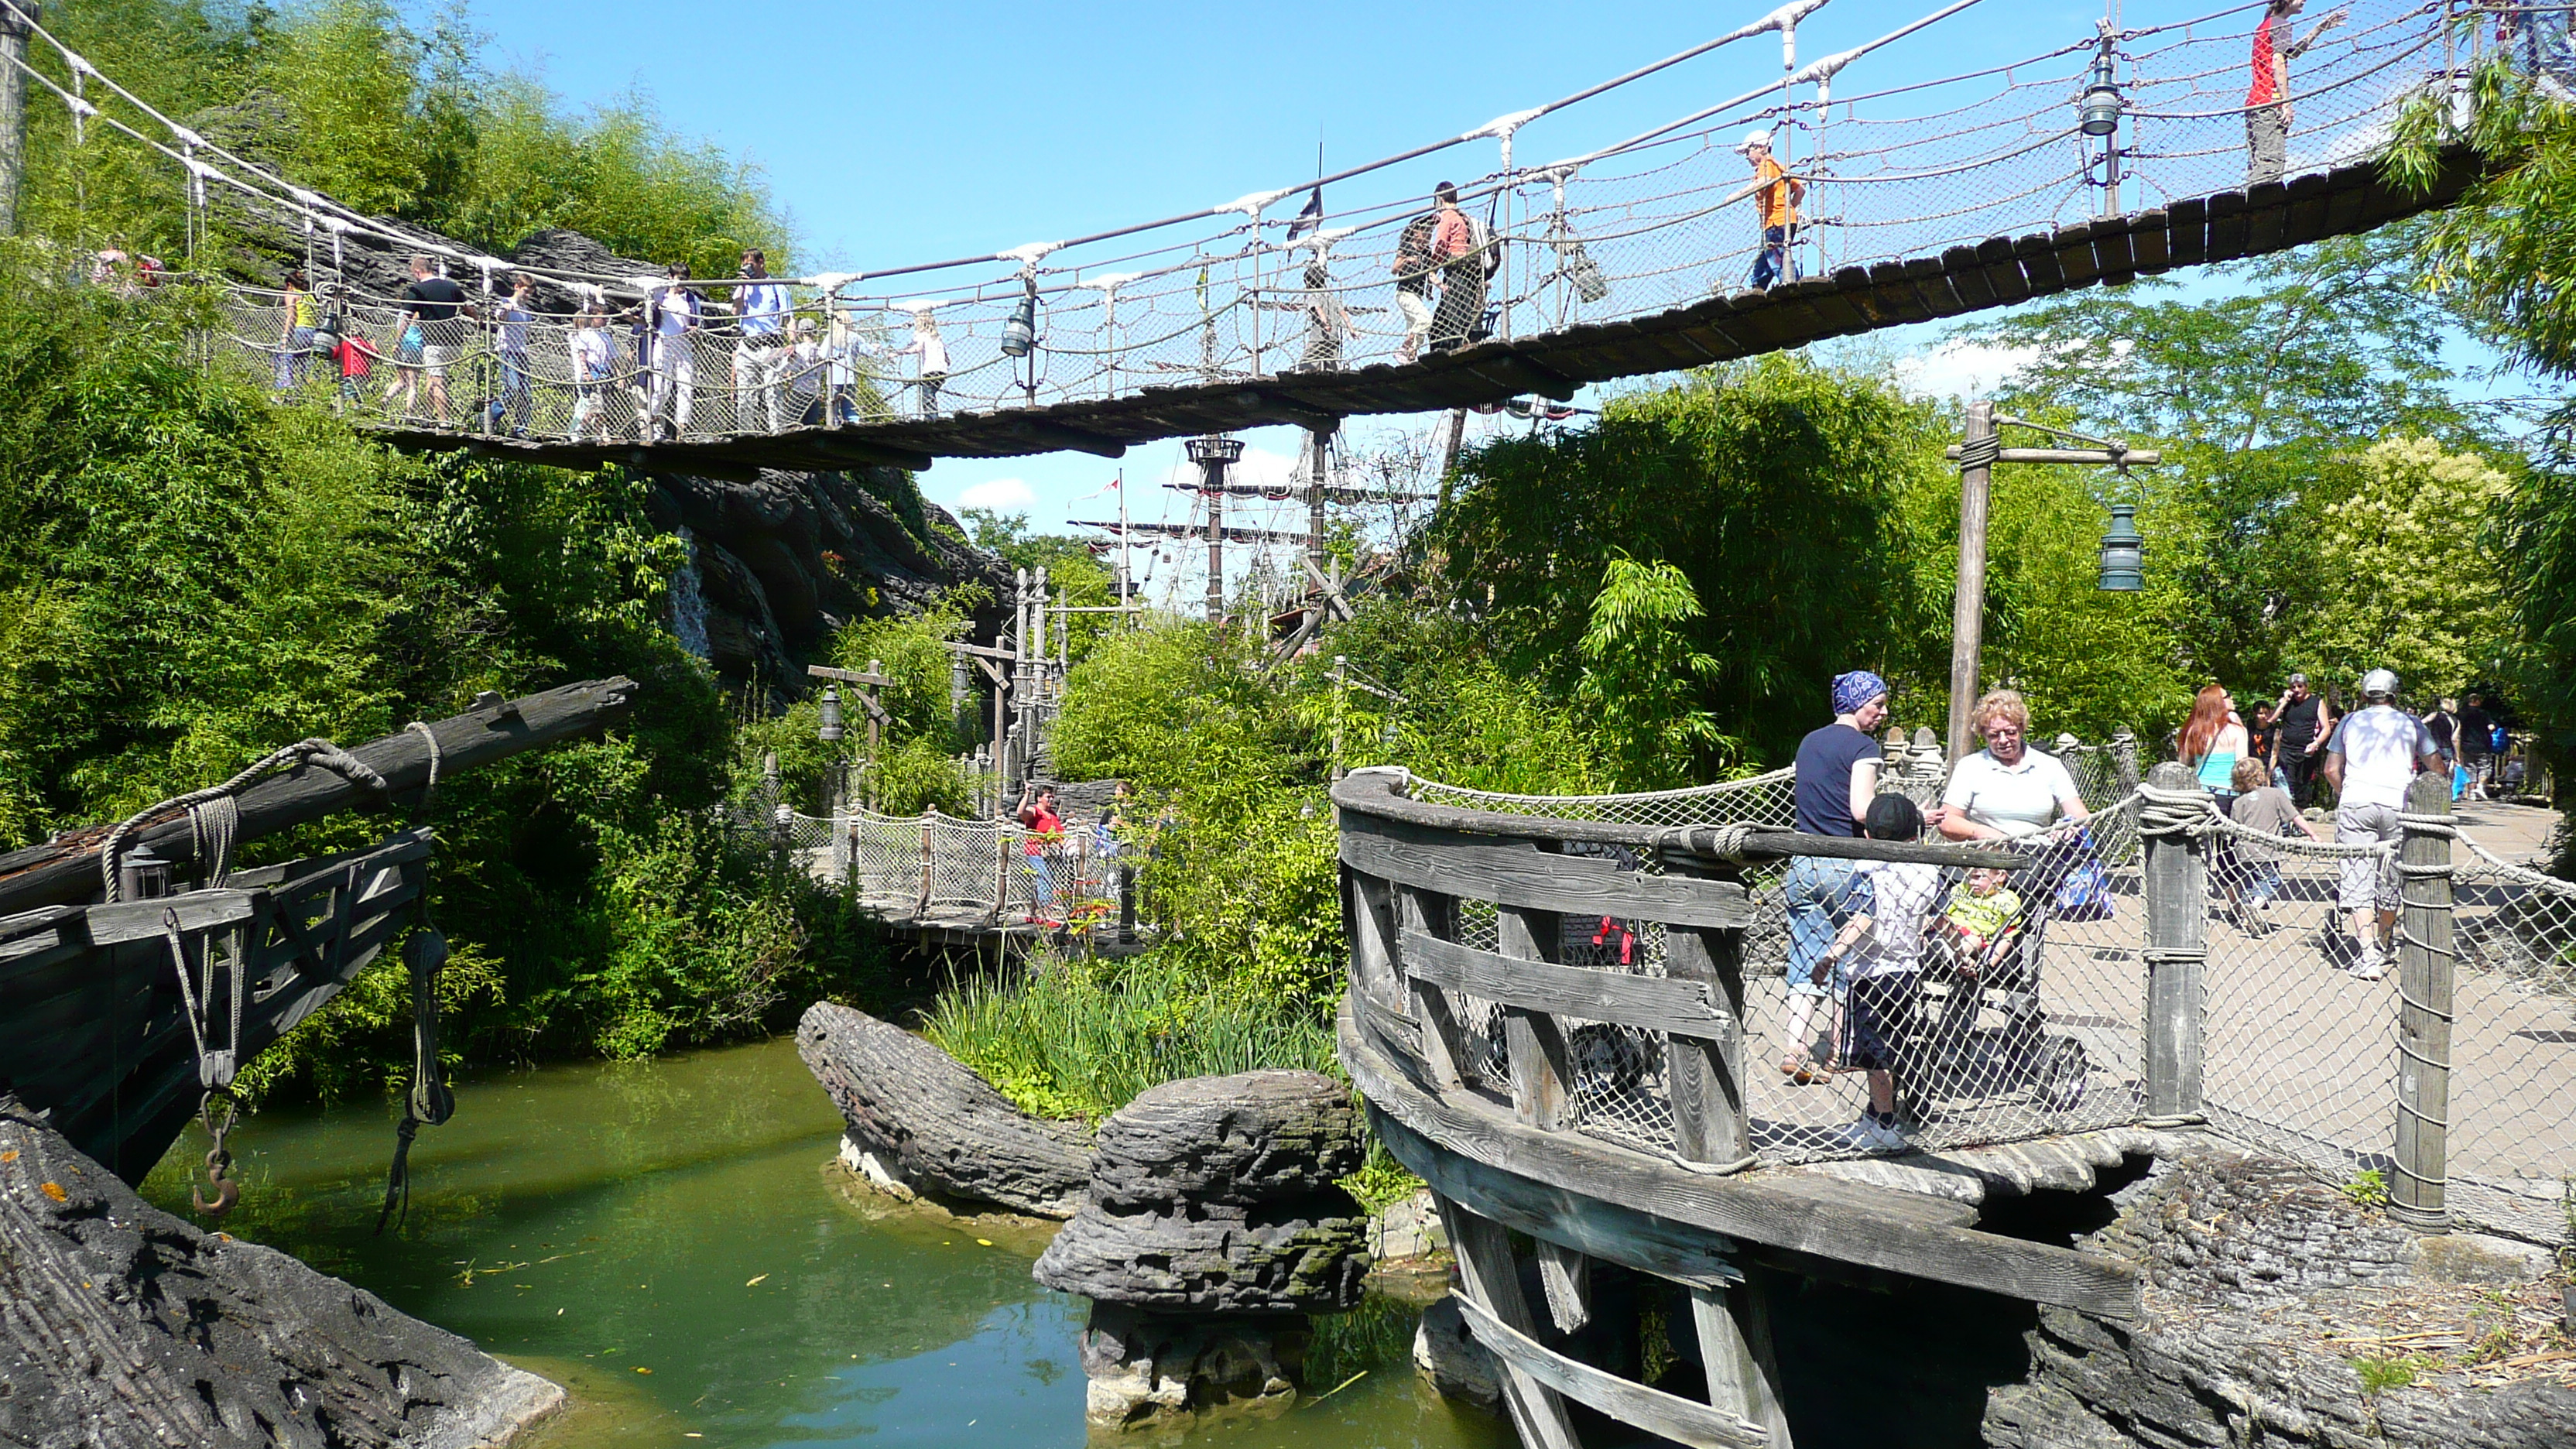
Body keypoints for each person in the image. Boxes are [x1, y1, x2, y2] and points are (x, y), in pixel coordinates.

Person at [1814, 794, 1943, 1154]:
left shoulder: (1868, 869)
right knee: (1893, 1042)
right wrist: (1957, 947)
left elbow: (1864, 917)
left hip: (1870, 972)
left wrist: (1830, 956)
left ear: (1868, 835)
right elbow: (1939, 915)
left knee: (1874, 1053)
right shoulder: (1929, 868)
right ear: (1914, 834)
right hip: (1906, 969)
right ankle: (1874, 1114)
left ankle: (1885, 1123)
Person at [1781, 670, 1889, 1085]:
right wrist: (1907, 815)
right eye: (1876, 704)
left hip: (1803, 861)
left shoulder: (1809, 741)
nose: (1881, 713)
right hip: (1844, 862)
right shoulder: (1863, 746)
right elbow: (1862, 809)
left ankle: (1795, 1046)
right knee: (1847, 957)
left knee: (1807, 955)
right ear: (1856, 702)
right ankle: (1836, 1056)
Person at [2321, 668, 2443, 979]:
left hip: (2356, 802)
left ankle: (2367, 955)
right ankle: (2384, 942)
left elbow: (2331, 769)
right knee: (2391, 877)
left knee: (2357, 875)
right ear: (2394, 694)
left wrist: (2346, 792)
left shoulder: (2349, 721)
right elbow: (2436, 766)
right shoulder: (2411, 724)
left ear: (2364, 694)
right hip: (2398, 804)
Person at [2245, 0, 2347, 185]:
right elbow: (2279, 62)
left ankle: (2250, 204)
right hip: (2270, 101)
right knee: (2271, 162)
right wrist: (2286, 103)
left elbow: (2291, 53)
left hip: (2255, 102)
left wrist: (2319, 29)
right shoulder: (2280, 24)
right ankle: (2264, 208)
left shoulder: (2266, 24)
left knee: (2258, 162)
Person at [2178, 683, 2253, 918]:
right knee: (2226, 852)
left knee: (2198, 850)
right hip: (2227, 796)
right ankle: (2234, 903)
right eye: (2226, 697)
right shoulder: (2236, 731)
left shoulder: (2194, 731)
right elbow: (2242, 766)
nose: (2231, 699)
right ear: (2217, 703)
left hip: (2200, 796)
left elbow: (2182, 765)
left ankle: (2196, 898)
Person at [2226, 756, 2314, 931]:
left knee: (2249, 883)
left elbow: (2233, 827)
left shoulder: (2238, 802)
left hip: (2244, 852)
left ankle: (2247, 913)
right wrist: (2312, 834)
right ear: (2260, 775)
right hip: (2267, 850)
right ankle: (2256, 906)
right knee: (2269, 880)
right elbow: (2295, 817)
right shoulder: (2275, 794)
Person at [395, 255, 470, 426]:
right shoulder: (452, 286)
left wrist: (397, 342)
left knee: (437, 382)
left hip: (434, 343)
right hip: (456, 342)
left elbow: (406, 318)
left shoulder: (417, 290)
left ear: (417, 271)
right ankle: (428, 414)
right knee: (432, 377)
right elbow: (469, 308)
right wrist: (480, 321)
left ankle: (444, 421)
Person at [731, 248, 793, 432]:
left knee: (773, 392)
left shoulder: (777, 286)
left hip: (770, 345)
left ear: (761, 263)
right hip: (747, 344)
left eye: (750, 264)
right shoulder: (743, 287)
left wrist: (792, 343)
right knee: (745, 395)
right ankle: (746, 434)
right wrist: (742, 285)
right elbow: (735, 311)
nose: (747, 268)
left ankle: (777, 432)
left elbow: (789, 318)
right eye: (744, 264)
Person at [1737, 130, 1804, 290]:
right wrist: (1790, 209)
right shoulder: (1778, 167)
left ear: (1761, 147)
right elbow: (1800, 189)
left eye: (1748, 151)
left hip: (1776, 222)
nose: (1747, 156)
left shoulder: (1766, 165)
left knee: (1776, 256)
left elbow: (1764, 181)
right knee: (1764, 258)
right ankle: (1758, 288)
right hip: (1781, 219)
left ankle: (1793, 285)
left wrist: (1737, 194)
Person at [1427, 182, 1488, 355]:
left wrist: (1431, 270)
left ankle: (1460, 351)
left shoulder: (1448, 216)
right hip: (1468, 269)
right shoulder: (1464, 217)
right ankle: (1454, 348)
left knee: (1455, 318)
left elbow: (1441, 244)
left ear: (1439, 199)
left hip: (1456, 270)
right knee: (1445, 321)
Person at [647, 262, 703, 441]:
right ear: (670, 277)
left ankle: (682, 430)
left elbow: (698, 324)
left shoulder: (692, 300)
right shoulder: (659, 296)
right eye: (679, 279)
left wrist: (695, 330)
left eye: (685, 280)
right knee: (663, 389)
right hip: (664, 344)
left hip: (684, 347)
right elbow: (647, 318)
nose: (681, 284)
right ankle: (652, 423)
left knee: (686, 387)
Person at [2273, 672, 2335, 810]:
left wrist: (2316, 744)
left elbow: (2326, 728)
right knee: (2286, 783)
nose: (2296, 690)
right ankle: (2287, 815)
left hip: (2307, 751)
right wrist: (2284, 701)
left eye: (2300, 686)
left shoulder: (2317, 703)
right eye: (2293, 687)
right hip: (2287, 750)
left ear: (2306, 687)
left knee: (2303, 784)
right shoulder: (2287, 702)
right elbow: (2271, 719)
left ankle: (2300, 815)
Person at [486, 272, 537, 437]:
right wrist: (505, 310)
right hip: (507, 351)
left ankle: (520, 429)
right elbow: (499, 319)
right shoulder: (505, 302)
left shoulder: (526, 311)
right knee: (511, 389)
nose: (528, 296)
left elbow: (526, 332)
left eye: (530, 293)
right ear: (517, 287)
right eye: (525, 291)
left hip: (521, 353)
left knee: (526, 393)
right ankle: (485, 418)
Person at [1391, 211, 1438, 363]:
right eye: (1426, 231)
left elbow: (1429, 274)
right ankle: (1404, 348)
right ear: (1416, 232)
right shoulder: (1406, 247)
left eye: (1431, 231)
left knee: (1418, 329)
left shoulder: (1427, 252)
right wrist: (1407, 260)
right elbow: (1394, 269)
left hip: (1417, 295)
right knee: (1425, 320)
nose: (1429, 235)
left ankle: (1410, 356)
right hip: (1404, 293)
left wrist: (1436, 287)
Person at [1017, 783, 1065, 925]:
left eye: (1052, 797)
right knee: (1045, 879)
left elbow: (1059, 832)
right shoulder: (1034, 811)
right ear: (1039, 798)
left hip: (1050, 853)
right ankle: (1046, 915)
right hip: (1036, 851)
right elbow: (1020, 813)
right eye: (1048, 797)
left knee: (1040, 882)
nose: (1051, 800)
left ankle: (1031, 913)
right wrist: (1027, 794)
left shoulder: (1052, 814)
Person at [570, 306, 617, 442]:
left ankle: (596, 435)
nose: (605, 320)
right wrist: (586, 373)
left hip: (605, 375)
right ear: (592, 317)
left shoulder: (606, 336)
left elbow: (613, 357)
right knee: (596, 407)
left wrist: (619, 375)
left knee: (605, 409)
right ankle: (579, 429)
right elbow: (582, 355)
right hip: (594, 374)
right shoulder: (585, 335)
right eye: (602, 317)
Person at [895, 308, 947, 418]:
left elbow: (918, 348)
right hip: (942, 371)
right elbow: (946, 355)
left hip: (930, 370)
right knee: (931, 393)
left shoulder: (922, 334)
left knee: (927, 396)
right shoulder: (937, 336)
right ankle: (933, 417)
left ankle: (932, 419)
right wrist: (946, 362)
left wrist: (899, 352)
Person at [276, 268, 317, 392]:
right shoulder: (309, 296)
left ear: (289, 284)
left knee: (282, 354)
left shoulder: (291, 294)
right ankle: (309, 389)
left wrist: (285, 336)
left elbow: (292, 315)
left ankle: (284, 388)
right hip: (313, 332)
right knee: (305, 361)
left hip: (300, 330)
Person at [2458, 690, 2495, 800]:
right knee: (2484, 767)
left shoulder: (2462, 714)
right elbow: (2491, 727)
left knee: (2470, 768)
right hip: (2482, 744)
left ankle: (2472, 793)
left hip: (2467, 745)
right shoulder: (2483, 713)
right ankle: (2480, 786)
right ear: (2477, 701)